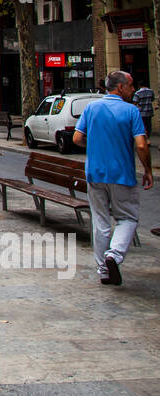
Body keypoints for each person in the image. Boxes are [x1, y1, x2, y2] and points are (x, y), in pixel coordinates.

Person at [73, 69, 152, 286]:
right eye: (131, 85)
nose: (133, 89)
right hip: (121, 175)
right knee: (128, 218)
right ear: (120, 87)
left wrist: (96, 146)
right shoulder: (131, 111)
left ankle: (103, 271)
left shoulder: (91, 108)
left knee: (100, 221)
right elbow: (142, 145)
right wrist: (148, 169)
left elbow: (77, 138)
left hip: (95, 173)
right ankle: (114, 255)